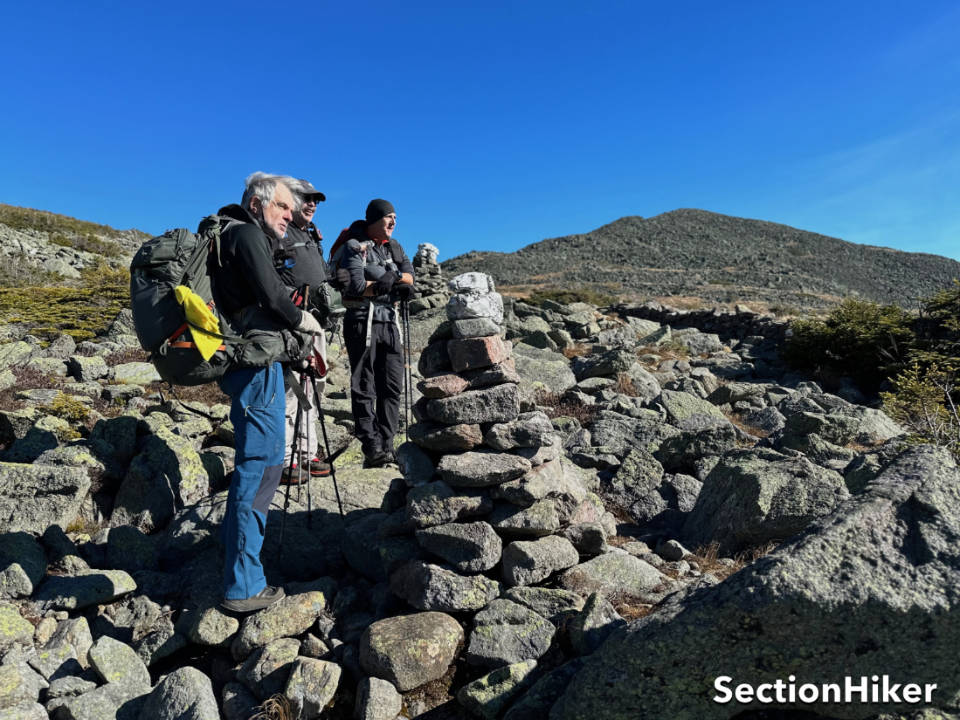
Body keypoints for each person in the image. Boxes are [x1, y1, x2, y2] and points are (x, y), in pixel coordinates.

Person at [212, 172, 325, 613]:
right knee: (261, 468)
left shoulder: (234, 236)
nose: (289, 215)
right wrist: (303, 323)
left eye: (291, 209)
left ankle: (239, 563)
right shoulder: (246, 235)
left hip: (255, 365)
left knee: (261, 465)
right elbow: (273, 296)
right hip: (256, 370)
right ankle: (242, 585)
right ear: (257, 204)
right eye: (282, 206)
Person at [331, 199, 414, 468]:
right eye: (389, 217)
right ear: (374, 219)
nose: (393, 222)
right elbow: (355, 287)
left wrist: (395, 279)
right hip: (361, 321)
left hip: (389, 321)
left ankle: (387, 444)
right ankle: (371, 445)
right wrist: (384, 284)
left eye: (395, 217)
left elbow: (410, 276)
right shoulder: (355, 246)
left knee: (392, 385)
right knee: (365, 384)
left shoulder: (394, 246)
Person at [275, 179, 332, 484]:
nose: (312, 205)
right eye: (306, 198)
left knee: (313, 386)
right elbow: (269, 278)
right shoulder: (279, 232)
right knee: (292, 387)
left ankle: (307, 453)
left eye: (316, 201)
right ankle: (286, 459)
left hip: (315, 322)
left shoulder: (310, 235)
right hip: (291, 321)